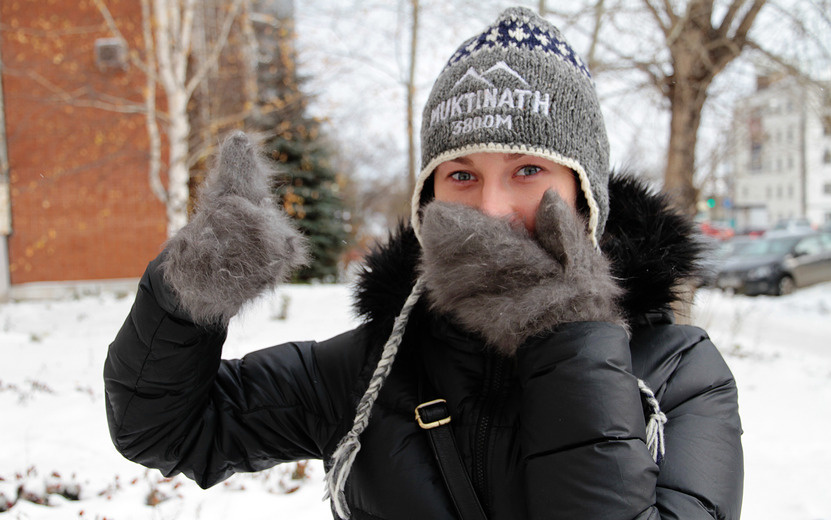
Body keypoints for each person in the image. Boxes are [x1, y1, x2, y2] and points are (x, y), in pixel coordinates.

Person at [104, 7, 743, 520]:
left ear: (585, 196)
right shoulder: (369, 370)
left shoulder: (678, 375)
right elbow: (165, 428)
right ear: (428, 199)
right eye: (462, 175)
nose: (492, 208)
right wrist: (188, 291)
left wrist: (571, 335)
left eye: (527, 171)